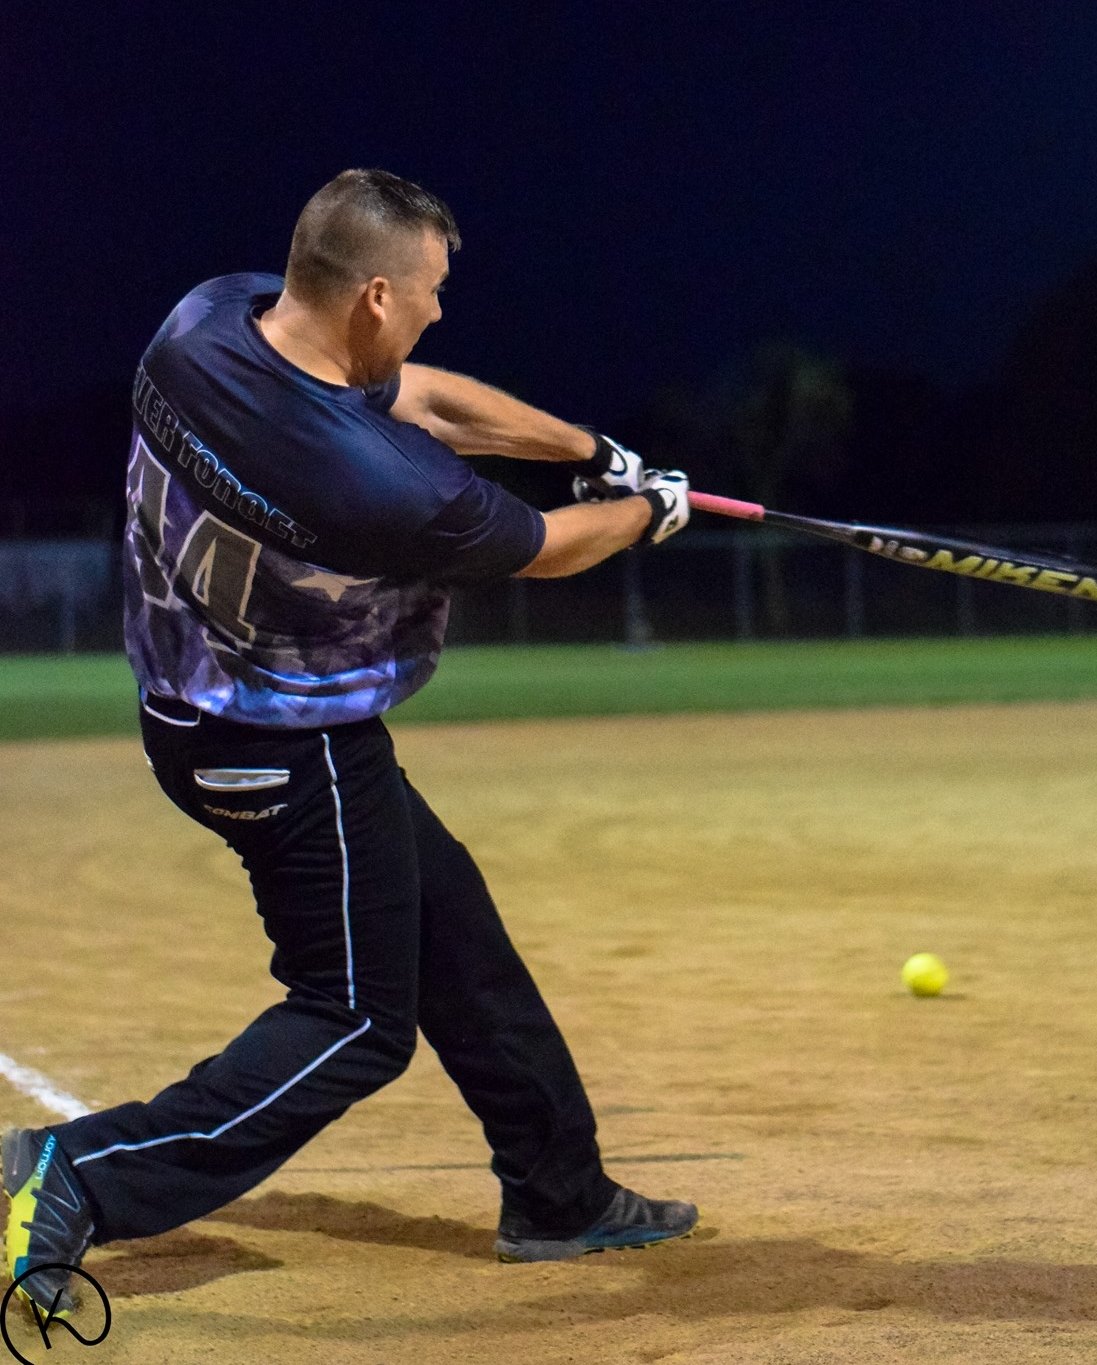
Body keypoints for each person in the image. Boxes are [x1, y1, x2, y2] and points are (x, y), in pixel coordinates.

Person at [2, 168, 697, 1316]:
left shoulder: (205, 324)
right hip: (284, 744)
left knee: (451, 929)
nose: (436, 310)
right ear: (374, 295)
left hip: (192, 702)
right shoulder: (378, 486)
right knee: (354, 1018)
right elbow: (548, 548)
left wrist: (593, 447)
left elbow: (418, 394)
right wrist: (648, 511)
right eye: (426, 291)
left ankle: (559, 1193)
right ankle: (85, 1171)